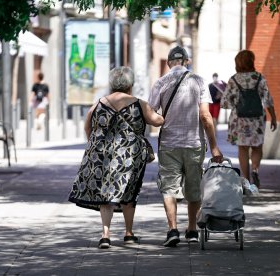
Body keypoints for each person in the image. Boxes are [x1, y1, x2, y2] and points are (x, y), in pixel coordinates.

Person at [68, 66, 164, 249]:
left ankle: (105, 235)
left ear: (112, 84)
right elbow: (157, 121)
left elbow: (88, 125)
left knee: (106, 193)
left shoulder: (99, 103)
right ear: (131, 84)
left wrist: (94, 145)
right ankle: (128, 233)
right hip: (130, 155)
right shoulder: (138, 103)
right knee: (130, 192)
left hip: (102, 154)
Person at [149, 46, 223, 247]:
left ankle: (172, 229)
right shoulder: (199, 81)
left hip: (169, 145)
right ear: (187, 61)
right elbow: (206, 116)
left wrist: (161, 121)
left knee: (169, 188)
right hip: (194, 144)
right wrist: (214, 146)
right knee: (193, 188)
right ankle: (191, 230)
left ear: (168, 63)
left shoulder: (160, 82)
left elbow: (151, 114)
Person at [221, 50, 277, 189]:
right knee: (257, 147)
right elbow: (268, 100)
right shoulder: (259, 78)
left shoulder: (234, 80)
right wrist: (274, 117)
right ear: (251, 61)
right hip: (257, 118)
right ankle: (255, 170)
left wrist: (236, 102)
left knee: (243, 149)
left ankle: (245, 180)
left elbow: (224, 103)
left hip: (239, 119)